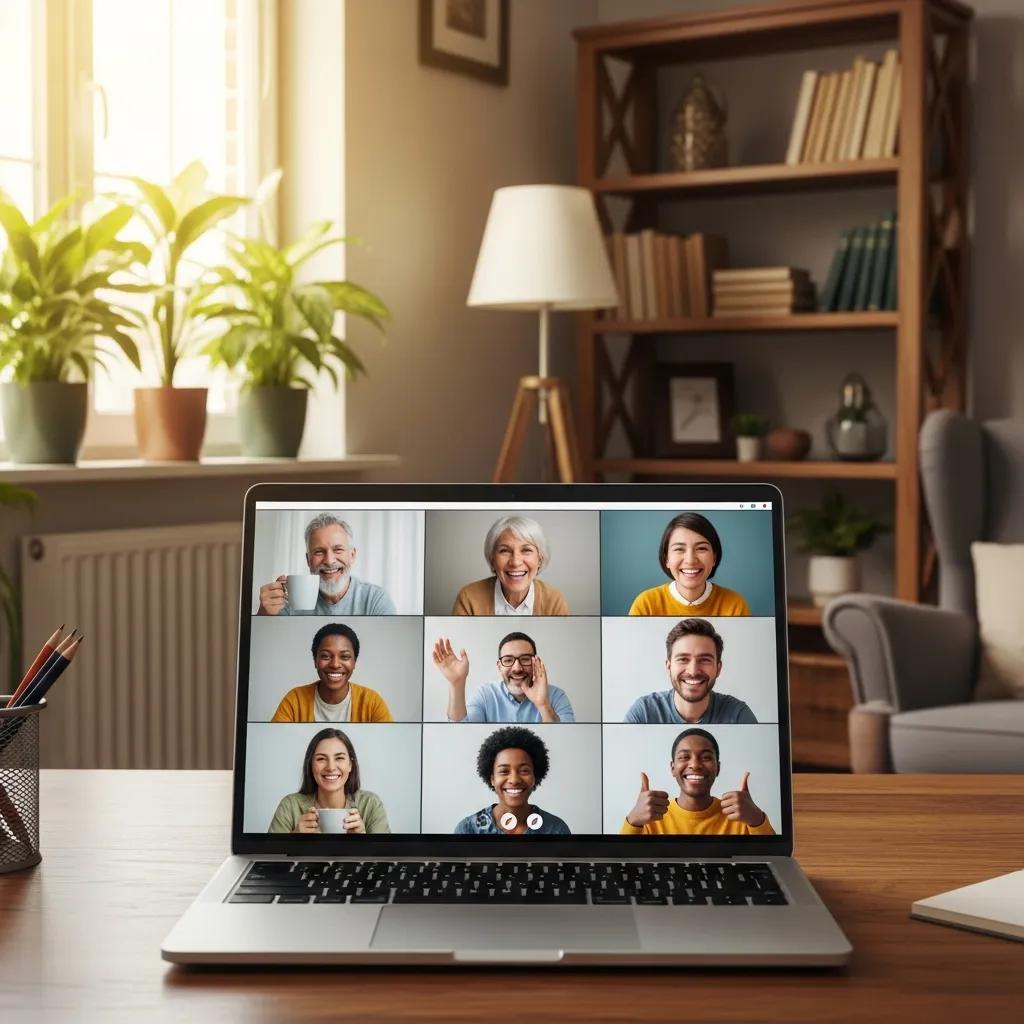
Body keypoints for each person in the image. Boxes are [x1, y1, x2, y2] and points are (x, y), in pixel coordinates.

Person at [620, 728, 774, 836]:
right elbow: (621, 866)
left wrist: (757, 819)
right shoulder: (649, 816)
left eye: (706, 757)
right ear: (673, 768)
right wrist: (633, 820)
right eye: (684, 757)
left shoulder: (742, 815)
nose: (695, 765)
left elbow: (774, 858)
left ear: (718, 768)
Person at [257, 513, 397, 616]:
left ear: (352, 555)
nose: (329, 561)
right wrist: (263, 618)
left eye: (338, 549)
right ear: (308, 560)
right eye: (319, 552)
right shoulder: (287, 602)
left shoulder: (375, 600)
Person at [624, 618, 757, 724]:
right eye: (683, 659)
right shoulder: (643, 713)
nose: (693, 671)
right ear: (668, 667)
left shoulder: (739, 715)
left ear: (718, 668)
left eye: (704, 659)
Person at [432, 630, 575, 723]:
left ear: (536, 662)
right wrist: (457, 683)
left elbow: (566, 741)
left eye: (525, 659)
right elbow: (460, 734)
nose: (517, 668)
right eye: (508, 660)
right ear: (499, 666)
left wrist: (543, 705)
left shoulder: (557, 696)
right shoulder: (485, 695)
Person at [268, 728, 391, 834]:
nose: (331, 767)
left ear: (350, 765)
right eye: (321, 759)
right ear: (311, 765)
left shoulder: (371, 804)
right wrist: (293, 839)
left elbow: (386, 856)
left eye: (339, 758)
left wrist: (363, 839)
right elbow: (269, 855)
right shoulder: (290, 806)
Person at [453, 726, 570, 835]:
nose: (514, 780)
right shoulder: (468, 829)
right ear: (492, 779)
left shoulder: (555, 829)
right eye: (504, 771)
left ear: (535, 776)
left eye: (524, 770)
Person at [628, 512, 751, 616]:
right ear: (666, 559)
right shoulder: (646, 605)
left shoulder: (735, 605)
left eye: (701, 548)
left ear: (714, 557)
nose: (690, 560)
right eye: (679, 549)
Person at [271, 623, 393, 723]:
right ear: (315, 660)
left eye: (344, 657)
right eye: (326, 656)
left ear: (354, 662)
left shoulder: (372, 702)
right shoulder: (294, 700)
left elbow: (388, 742)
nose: (335, 664)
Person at [452, 515, 569, 615]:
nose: (515, 562)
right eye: (504, 551)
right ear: (492, 559)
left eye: (526, 550)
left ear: (540, 559)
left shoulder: (554, 601)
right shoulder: (469, 598)